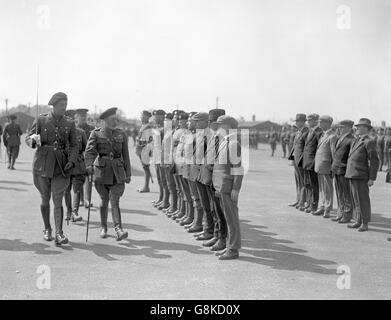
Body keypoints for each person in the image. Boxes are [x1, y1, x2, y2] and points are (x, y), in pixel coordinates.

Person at [25, 92, 78, 245]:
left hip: (61, 166)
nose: (64, 108)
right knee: (45, 198)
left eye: (66, 105)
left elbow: (74, 145)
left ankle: (59, 233)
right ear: (53, 106)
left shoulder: (69, 123)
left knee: (57, 199)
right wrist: (33, 141)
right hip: (42, 165)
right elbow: (28, 138)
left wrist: (72, 160)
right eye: (62, 105)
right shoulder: (41, 120)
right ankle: (47, 228)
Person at [84, 107, 131, 240]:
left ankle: (118, 229)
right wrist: (88, 165)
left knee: (114, 201)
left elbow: (125, 155)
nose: (114, 122)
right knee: (104, 200)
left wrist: (128, 173)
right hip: (102, 173)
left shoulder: (121, 134)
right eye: (112, 120)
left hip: (118, 172)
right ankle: (103, 227)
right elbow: (90, 152)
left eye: (115, 119)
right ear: (104, 121)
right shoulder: (96, 133)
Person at [213, 115, 244, 260]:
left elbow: (238, 169)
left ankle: (233, 249)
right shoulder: (226, 141)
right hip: (222, 186)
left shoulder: (233, 143)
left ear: (227, 126)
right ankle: (229, 246)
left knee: (232, 219)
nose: (218, 128)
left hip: (228, 187)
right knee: (227, 219)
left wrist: (236, 189)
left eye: (220, 125)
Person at [198, 108, 227, 251]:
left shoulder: (223, 137)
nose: (209, 124)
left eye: (211, 121)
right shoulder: (213, 135)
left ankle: (222, 238)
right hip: (210, 176)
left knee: (220, 212)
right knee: (214, 209)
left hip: (218, 179)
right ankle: (216, 235)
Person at [345, 118, 379, 232]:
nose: (357, 128)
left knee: (363, 200)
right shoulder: (356, 140)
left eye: (359, 127)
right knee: (355, 199)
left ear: (366, 128)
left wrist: (372, 178)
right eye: (357, 126)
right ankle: (358, 220)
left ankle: (364, 223)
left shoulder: (369, 141)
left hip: (361, 175)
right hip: (353, 174)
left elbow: (374, 161)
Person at [63, 109, 86, 223]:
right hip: (65, 165)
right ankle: (68, 211)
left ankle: (75, 212)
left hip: (77, 165)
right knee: (66, 190)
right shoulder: (61, 132)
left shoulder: (81, 132)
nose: (71, 120)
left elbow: (86, 148)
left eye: (73, 118)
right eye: (69, 118)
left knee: (76, 190)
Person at [331, 120, 356, 223]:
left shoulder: (352, 140)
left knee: (346, 194)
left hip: (344, 170)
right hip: (337, 169)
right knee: (339, 193)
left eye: (342, 127)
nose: (340, 129)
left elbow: (351, 157)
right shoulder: (340, 138)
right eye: (340, 127)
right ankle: (340, 213)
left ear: (349, 128)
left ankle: (347, 215)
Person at [313, 116, 337, 218]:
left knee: (327, 188)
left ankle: (327, 208)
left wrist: (333, 167)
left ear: (327, 123)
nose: (319, 124)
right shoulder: (323, 135)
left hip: (326, 165)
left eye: (321, 122)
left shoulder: (332, 136)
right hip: (320, 165)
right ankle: (322, 206)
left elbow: (334, 153)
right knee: (322, 188)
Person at [302, 114, 323, 214]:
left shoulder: (319, 132)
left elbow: (319, 149)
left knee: (314, 185)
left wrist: (314, 162)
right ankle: (309, 203)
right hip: (306, 162)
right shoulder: (309, 131)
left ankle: (314, 205)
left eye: (310, 120)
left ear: (316, 121)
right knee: (308, 184)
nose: (308, 122)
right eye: (308, 120)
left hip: (312, 163)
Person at [74, 108, 95, 208]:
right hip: (78, 159)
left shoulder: (91, 128)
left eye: (84, 116)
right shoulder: (74, 129)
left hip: (89, 158)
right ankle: (81, 199)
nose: (83, 118)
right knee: (79, 180)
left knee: (89, 179)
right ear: (76, 117)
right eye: (80, 116)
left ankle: (87, 199)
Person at [288, 114, 309, 209]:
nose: (296, 123)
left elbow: (306, 148)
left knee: (303, 182)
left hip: (301, 160)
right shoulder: (298, 132)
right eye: (296, 121)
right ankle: (298, 199)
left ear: (302, 122)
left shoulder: (306, 132)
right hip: (296, 159)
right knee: (298, 182)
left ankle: (302, 201)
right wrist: (292, 158)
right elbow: (295, 146)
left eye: (297, 121)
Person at [135, 110, 153, 193]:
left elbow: (148, 140)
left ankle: (146, 186)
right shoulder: (144, 125)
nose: (141, 117)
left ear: (147, 117)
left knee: (146, 168)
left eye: (143, 116)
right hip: (141, 149)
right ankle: (145, 186)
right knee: (145, 168)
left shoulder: (148, 127)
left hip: (144, 150)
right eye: (141, 115)